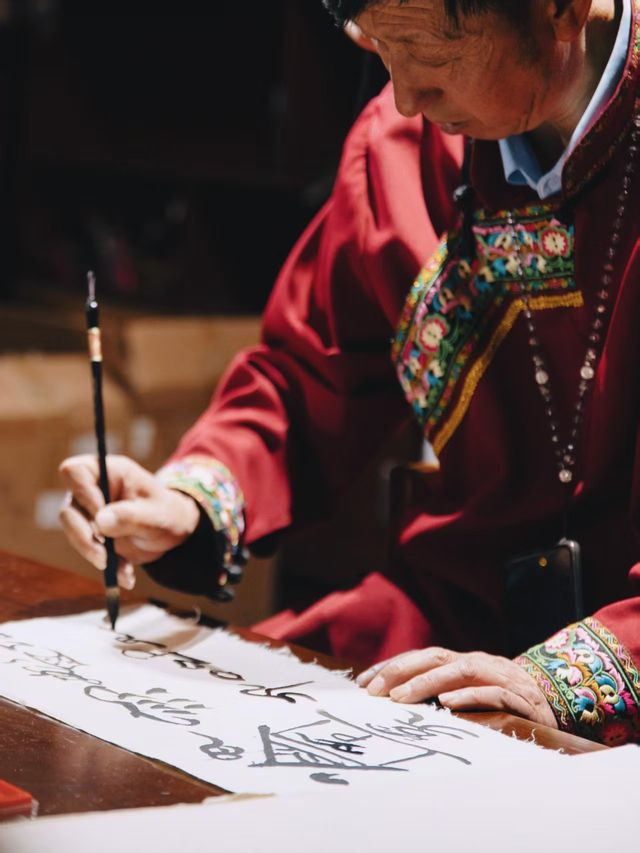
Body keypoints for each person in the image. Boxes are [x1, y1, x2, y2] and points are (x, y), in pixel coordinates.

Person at [59, 0, 640, 746]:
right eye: (378, 50)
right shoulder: (404, 147)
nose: (403, 98)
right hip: (457, 612)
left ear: (560, 9)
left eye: (427, 56)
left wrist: (555, 679)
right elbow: (306, 371)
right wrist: (190, 498)